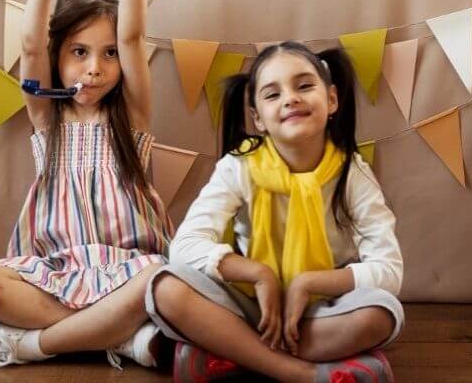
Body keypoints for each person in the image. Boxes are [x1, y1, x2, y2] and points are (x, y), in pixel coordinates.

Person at [0, 0, 197, 369]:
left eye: (108, 54)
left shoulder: (132, 115)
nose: (94, 68)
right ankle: (116, 337)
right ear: (58, 58)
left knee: (166, 281)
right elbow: (30, 43)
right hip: (56, 269)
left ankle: (30, 344)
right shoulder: (46, 116)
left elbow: (134, 35)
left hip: (131, 269)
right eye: (79, 52)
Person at [147, 42, 403, 382]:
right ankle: (303, 372)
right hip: (248, 305)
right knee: (164, 287)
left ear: (331, 100)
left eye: (304, 86)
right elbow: (185, 245)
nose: (290, 98)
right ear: (258, 119)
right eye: (272, 94)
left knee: (381, 314)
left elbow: (389, 268)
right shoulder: (238, 167)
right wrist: (258, 274)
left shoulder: (351, 173)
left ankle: (231, 353)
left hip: (319, 310)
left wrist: (308, 283)